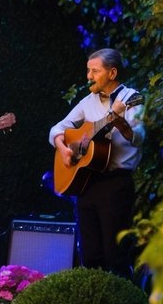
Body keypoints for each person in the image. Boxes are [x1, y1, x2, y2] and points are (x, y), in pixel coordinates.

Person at [49, 47, 144, 277]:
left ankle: (121, 298)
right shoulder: (87, 102)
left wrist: (121, 124)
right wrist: (63, 148)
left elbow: (140, 137)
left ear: (112, 73)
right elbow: (57, 129)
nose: (88, 76)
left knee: (115, 255)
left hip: (115, 184)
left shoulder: (131, 99)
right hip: (86, 183)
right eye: (88, 71)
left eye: (94, 71)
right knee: (90, 255)